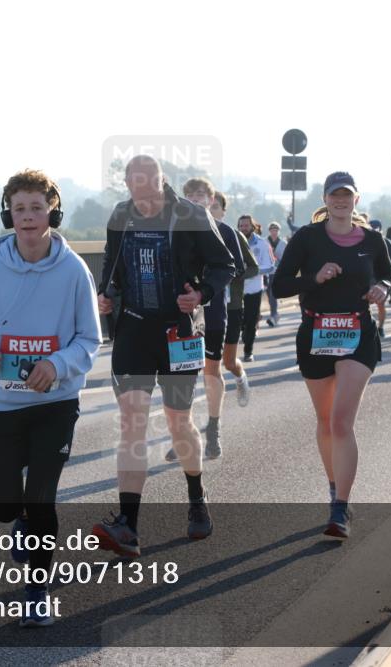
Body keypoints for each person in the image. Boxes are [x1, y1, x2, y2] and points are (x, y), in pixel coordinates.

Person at [0, 169, 100, 627]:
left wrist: (56, 365)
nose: (27, 216)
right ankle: (17, 515)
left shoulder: (74, 270)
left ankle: (37, 592)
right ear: (8, 214)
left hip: (55, 405)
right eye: (19, 208)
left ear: (52, 212)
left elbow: (89, 339)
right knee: (5, 507)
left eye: (36, 207)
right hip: (4, 404)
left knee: (41, 498)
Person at [93, 155, 234, 557]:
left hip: (178, 330)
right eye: (136, 183)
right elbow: (112, 262)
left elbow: (224, 264)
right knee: (132, 421)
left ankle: (196, 495)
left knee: (178, 422)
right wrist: (107, 294)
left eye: (151, 182)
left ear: (162, 181)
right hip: (135, 328)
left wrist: (200, 295)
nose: (144, 191)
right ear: (126, 184)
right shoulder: (121, 216)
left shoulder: (190, 214)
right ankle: (128, 526)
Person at [272, 172, 391, 540]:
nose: (341, 200)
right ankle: (333, 484)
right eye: (334, 195)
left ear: (356, 200)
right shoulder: (307, 238)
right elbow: (279, 286)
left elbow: (389, 276)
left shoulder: (373, 240)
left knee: (341, 421)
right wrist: (315, 278)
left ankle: (340, 508)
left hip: (357, 334)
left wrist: (382, 288)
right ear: (325, 200)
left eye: (347, 195)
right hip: (316, 333)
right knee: (325, 422)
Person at [165, 178, 246, 462]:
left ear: (212, 200)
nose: (194, 198)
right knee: (184, 377)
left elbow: (236, 267)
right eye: (189, 194)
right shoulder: (176, 229)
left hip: (213, 312)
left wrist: (205, 285)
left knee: (212, 372)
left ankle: (213, 428)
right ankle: (183, 435)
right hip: (184, 315)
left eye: (200, 194)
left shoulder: (225, 230)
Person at [219, 193, 258, 407]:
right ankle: (214, 415)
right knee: (210, 364)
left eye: (215, 206)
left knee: (228, 362)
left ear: (224, 211)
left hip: (231, 306)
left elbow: (253, 267)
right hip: (204, 308)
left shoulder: (234, 236)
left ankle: (240, 376)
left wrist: (230, 276)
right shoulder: (193, 235)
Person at [238, 215, 275, 362]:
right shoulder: (234, 241)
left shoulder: (262, 244)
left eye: (246, 225)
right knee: (239, 320)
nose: (243, 228)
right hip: (237, 289)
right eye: (241, 226)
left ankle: (248, 351)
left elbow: (270, 266)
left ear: (252, 227)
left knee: (251, 320)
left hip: (254, 288)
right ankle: (244, 332)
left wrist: (253, 271)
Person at [265, 221, 287, 327]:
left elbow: (285, 259)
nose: (274, 232)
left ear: (278, 231)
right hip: (265, 272)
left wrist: (275, 256)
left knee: (272, 293)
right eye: (272, 230)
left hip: (276, 271)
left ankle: (273, 314)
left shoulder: (283, 243)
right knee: (268, 293)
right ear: (269, 231)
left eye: (276, 230)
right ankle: (275, 313)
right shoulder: (265, 242)